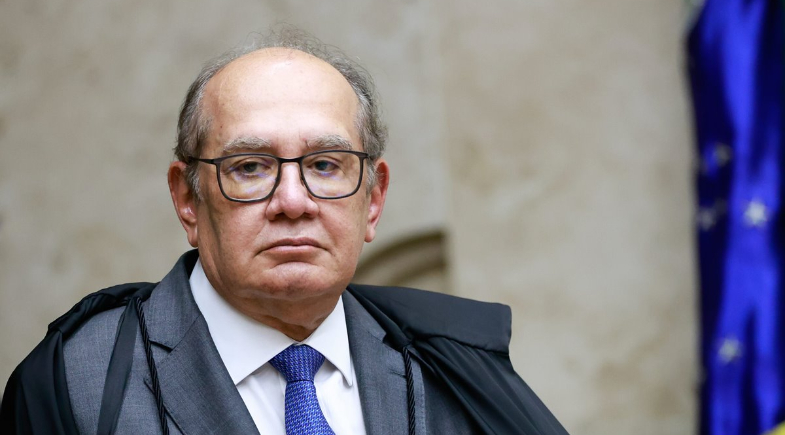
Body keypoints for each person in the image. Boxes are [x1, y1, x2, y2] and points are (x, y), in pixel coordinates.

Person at [1, 28, 569, 435]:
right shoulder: (78, 383)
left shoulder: (454, 372)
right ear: (188, 200)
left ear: (373, 200)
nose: (293, 202)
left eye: (325, 164)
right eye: (250, 167)